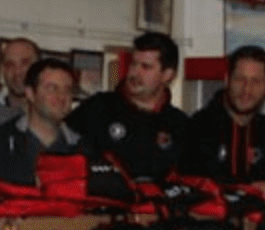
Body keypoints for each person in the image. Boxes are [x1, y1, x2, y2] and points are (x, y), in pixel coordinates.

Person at [176, 45, 265, 195]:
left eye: (256, 81)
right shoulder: (197, 127)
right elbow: (194, 191)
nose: (247, 90)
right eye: (240, 79)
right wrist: (261, 188)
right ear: (226, 80)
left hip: (263, 217)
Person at [66, 31, 187, 183]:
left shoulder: (180, 125)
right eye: (133, 64)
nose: (135, 73)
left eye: (146, 67)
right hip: (102, 204)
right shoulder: (97, 108)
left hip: (155, 205)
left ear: (167, 75)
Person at [0, 56, 82, 187]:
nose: (62, 96)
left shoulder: (82, 150)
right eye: (52, 88)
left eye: (68, 90)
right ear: (30, 93)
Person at [0, 36, 42, 112]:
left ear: (39, 68)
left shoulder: (52, 116)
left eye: (24, 63)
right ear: (2, 70)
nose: (17, 72)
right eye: (10, 64)